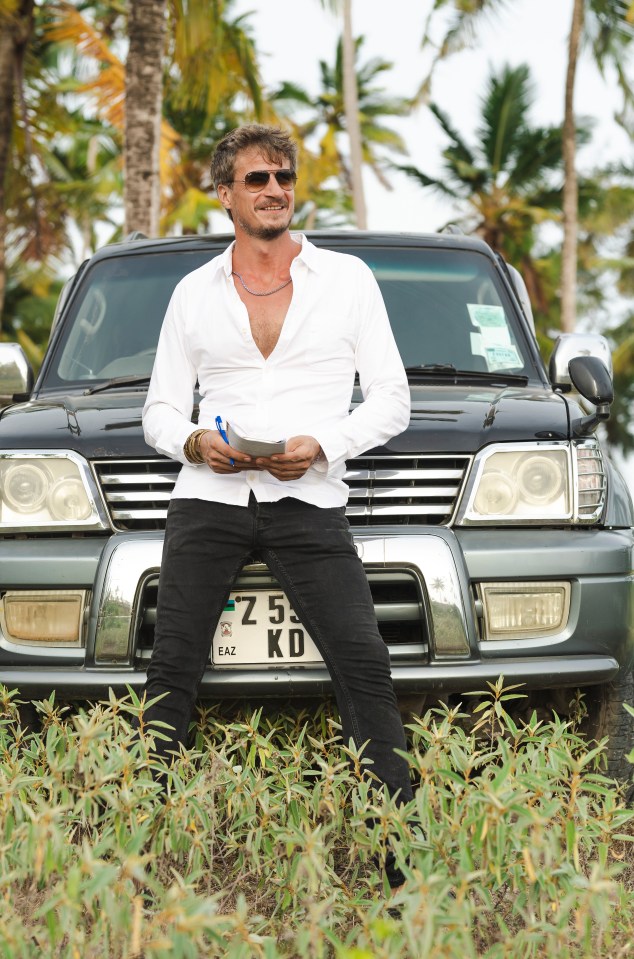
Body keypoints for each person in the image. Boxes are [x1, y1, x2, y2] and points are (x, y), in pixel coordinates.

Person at [141, 123, 413, 890]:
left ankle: (404, 862)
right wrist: (195, 441)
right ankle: (140, 855)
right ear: (224, 192)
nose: (274, 190)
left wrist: (322, 443)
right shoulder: (192, 293)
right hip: (209, 497)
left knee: (364, 668)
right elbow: (159, 409)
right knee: (171, 671)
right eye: (257, 178)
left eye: (284, 177)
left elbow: (393, 399)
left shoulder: (348, 280)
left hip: (310, 498)